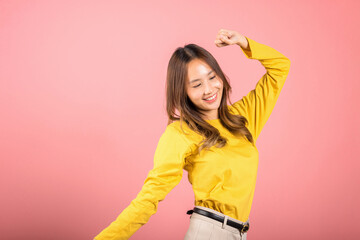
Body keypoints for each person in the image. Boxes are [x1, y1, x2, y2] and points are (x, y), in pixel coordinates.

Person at [94, 28, 291, 240]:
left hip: (240, 232)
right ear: (183, 92)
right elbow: (149, 197)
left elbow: (281, 67)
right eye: (196, 84)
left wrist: (244, 42)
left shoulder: (242, 117)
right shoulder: (180, 134)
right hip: (209, 233)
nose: (209, 89)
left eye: (212, 77)